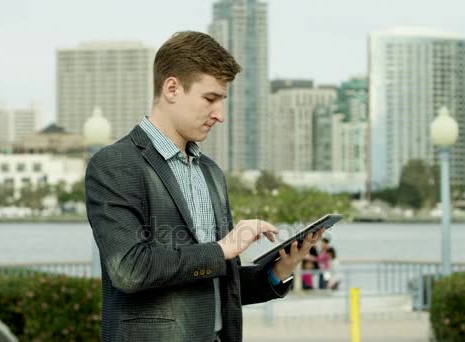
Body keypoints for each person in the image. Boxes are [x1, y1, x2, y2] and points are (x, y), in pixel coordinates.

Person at [85, 31, 324, 342]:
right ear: (172, 88)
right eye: (210, 99)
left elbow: (214, 283)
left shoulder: (210, 172)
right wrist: (223, 249)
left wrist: (278, 270)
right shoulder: (115, 165)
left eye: (222, 101)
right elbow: (129, 269)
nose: (219, 115)